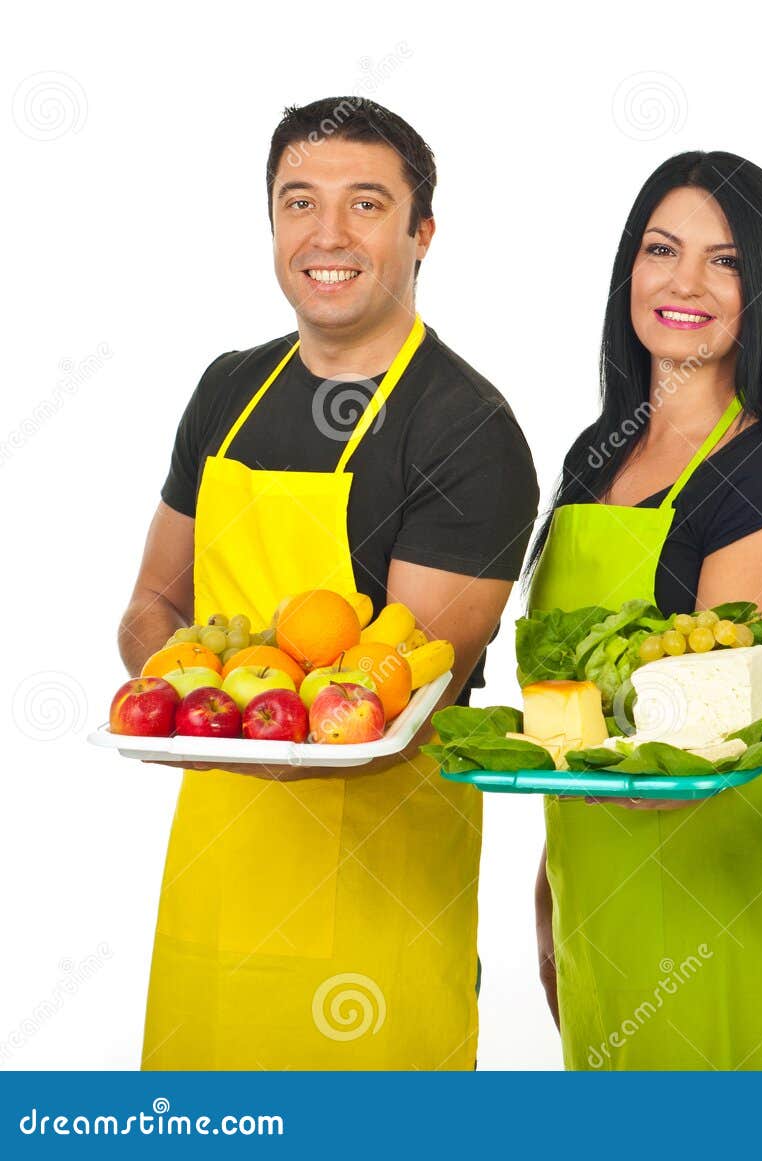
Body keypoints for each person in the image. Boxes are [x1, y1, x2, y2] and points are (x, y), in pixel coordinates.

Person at [116, 97, 537, 1069]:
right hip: (216, 876)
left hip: (373, 898)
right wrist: (183, 692)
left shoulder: (464, 427)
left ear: (422, 233)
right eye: (299, 201)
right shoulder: (228, 389)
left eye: (366, 204)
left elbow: (403, 692)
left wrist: (214, 714)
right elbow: (151, 607)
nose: (327, 234)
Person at [524, 151, 762, 1070]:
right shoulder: (597, 455)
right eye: (662, 250)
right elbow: (569, 709)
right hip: (601, 896)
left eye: (726, 261)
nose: (685, 283)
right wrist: (551, 893)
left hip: (729, 902)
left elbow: (704, 727)